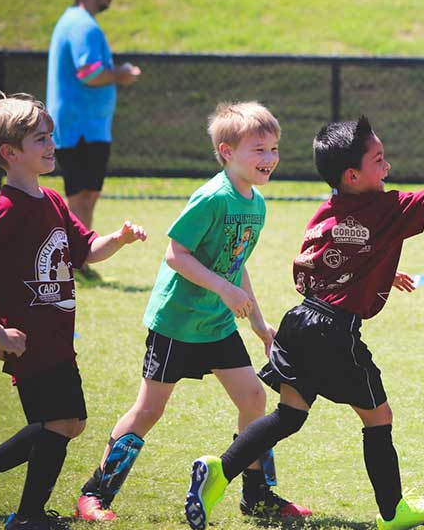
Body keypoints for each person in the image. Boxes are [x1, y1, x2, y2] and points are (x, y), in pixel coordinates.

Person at [183, 115, 424, 530]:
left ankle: (219, 470)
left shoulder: (329, 208)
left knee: (289, 415)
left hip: (301, 321)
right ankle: (392, 512)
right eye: (379, 159)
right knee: (378, 417)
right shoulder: (387, 208)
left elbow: (328, 260)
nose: (387, 167)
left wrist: (380, 273)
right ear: (353, 175)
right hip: (335, 331)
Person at [74, 102, 310, 523]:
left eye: (273, 148)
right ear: (226, 151)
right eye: (259, 150)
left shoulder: (255, 204)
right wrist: (221, 288)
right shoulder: (212, 197)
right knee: (149, 410)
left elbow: (235, 263)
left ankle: (257, 496)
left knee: (255, 398)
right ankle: (95, 493)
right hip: (177, 323)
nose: (269, 158)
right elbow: (175, 255)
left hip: (217, 324)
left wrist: (258, 322)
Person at [0, 92, 146, 530]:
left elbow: (84, 250)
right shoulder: (6, 211)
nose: (51, 145)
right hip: (29, 343)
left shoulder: (54, 201)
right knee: (58, 423)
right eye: (40, 139)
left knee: (71, 423)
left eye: (50, 137)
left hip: (58, 337)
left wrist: (117, 239)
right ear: (10, 153)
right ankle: (27, 517)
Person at [46, 0, 141, 278]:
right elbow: (90, 73)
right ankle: (73, 260)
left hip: (88, 128)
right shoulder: (82, 24)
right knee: (79, 196)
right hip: (78, 128)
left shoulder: (78, 21)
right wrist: (122, 74)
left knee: (87, 194)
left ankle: (79, 257)